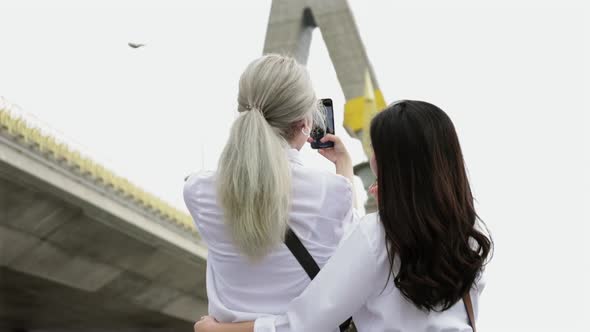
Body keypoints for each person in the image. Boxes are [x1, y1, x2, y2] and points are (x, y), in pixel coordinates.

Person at [194, 100, 493, 332]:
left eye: (376, 149)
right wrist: (344, 168)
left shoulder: (378, 237)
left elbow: (305, 323)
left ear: (395, 164)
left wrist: (219, 330)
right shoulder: (469, 233)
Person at [183, 54, 358, 330]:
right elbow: (350, 259)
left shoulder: (197, 191)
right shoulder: (331, 192)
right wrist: (343, 166)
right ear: (304, 122)